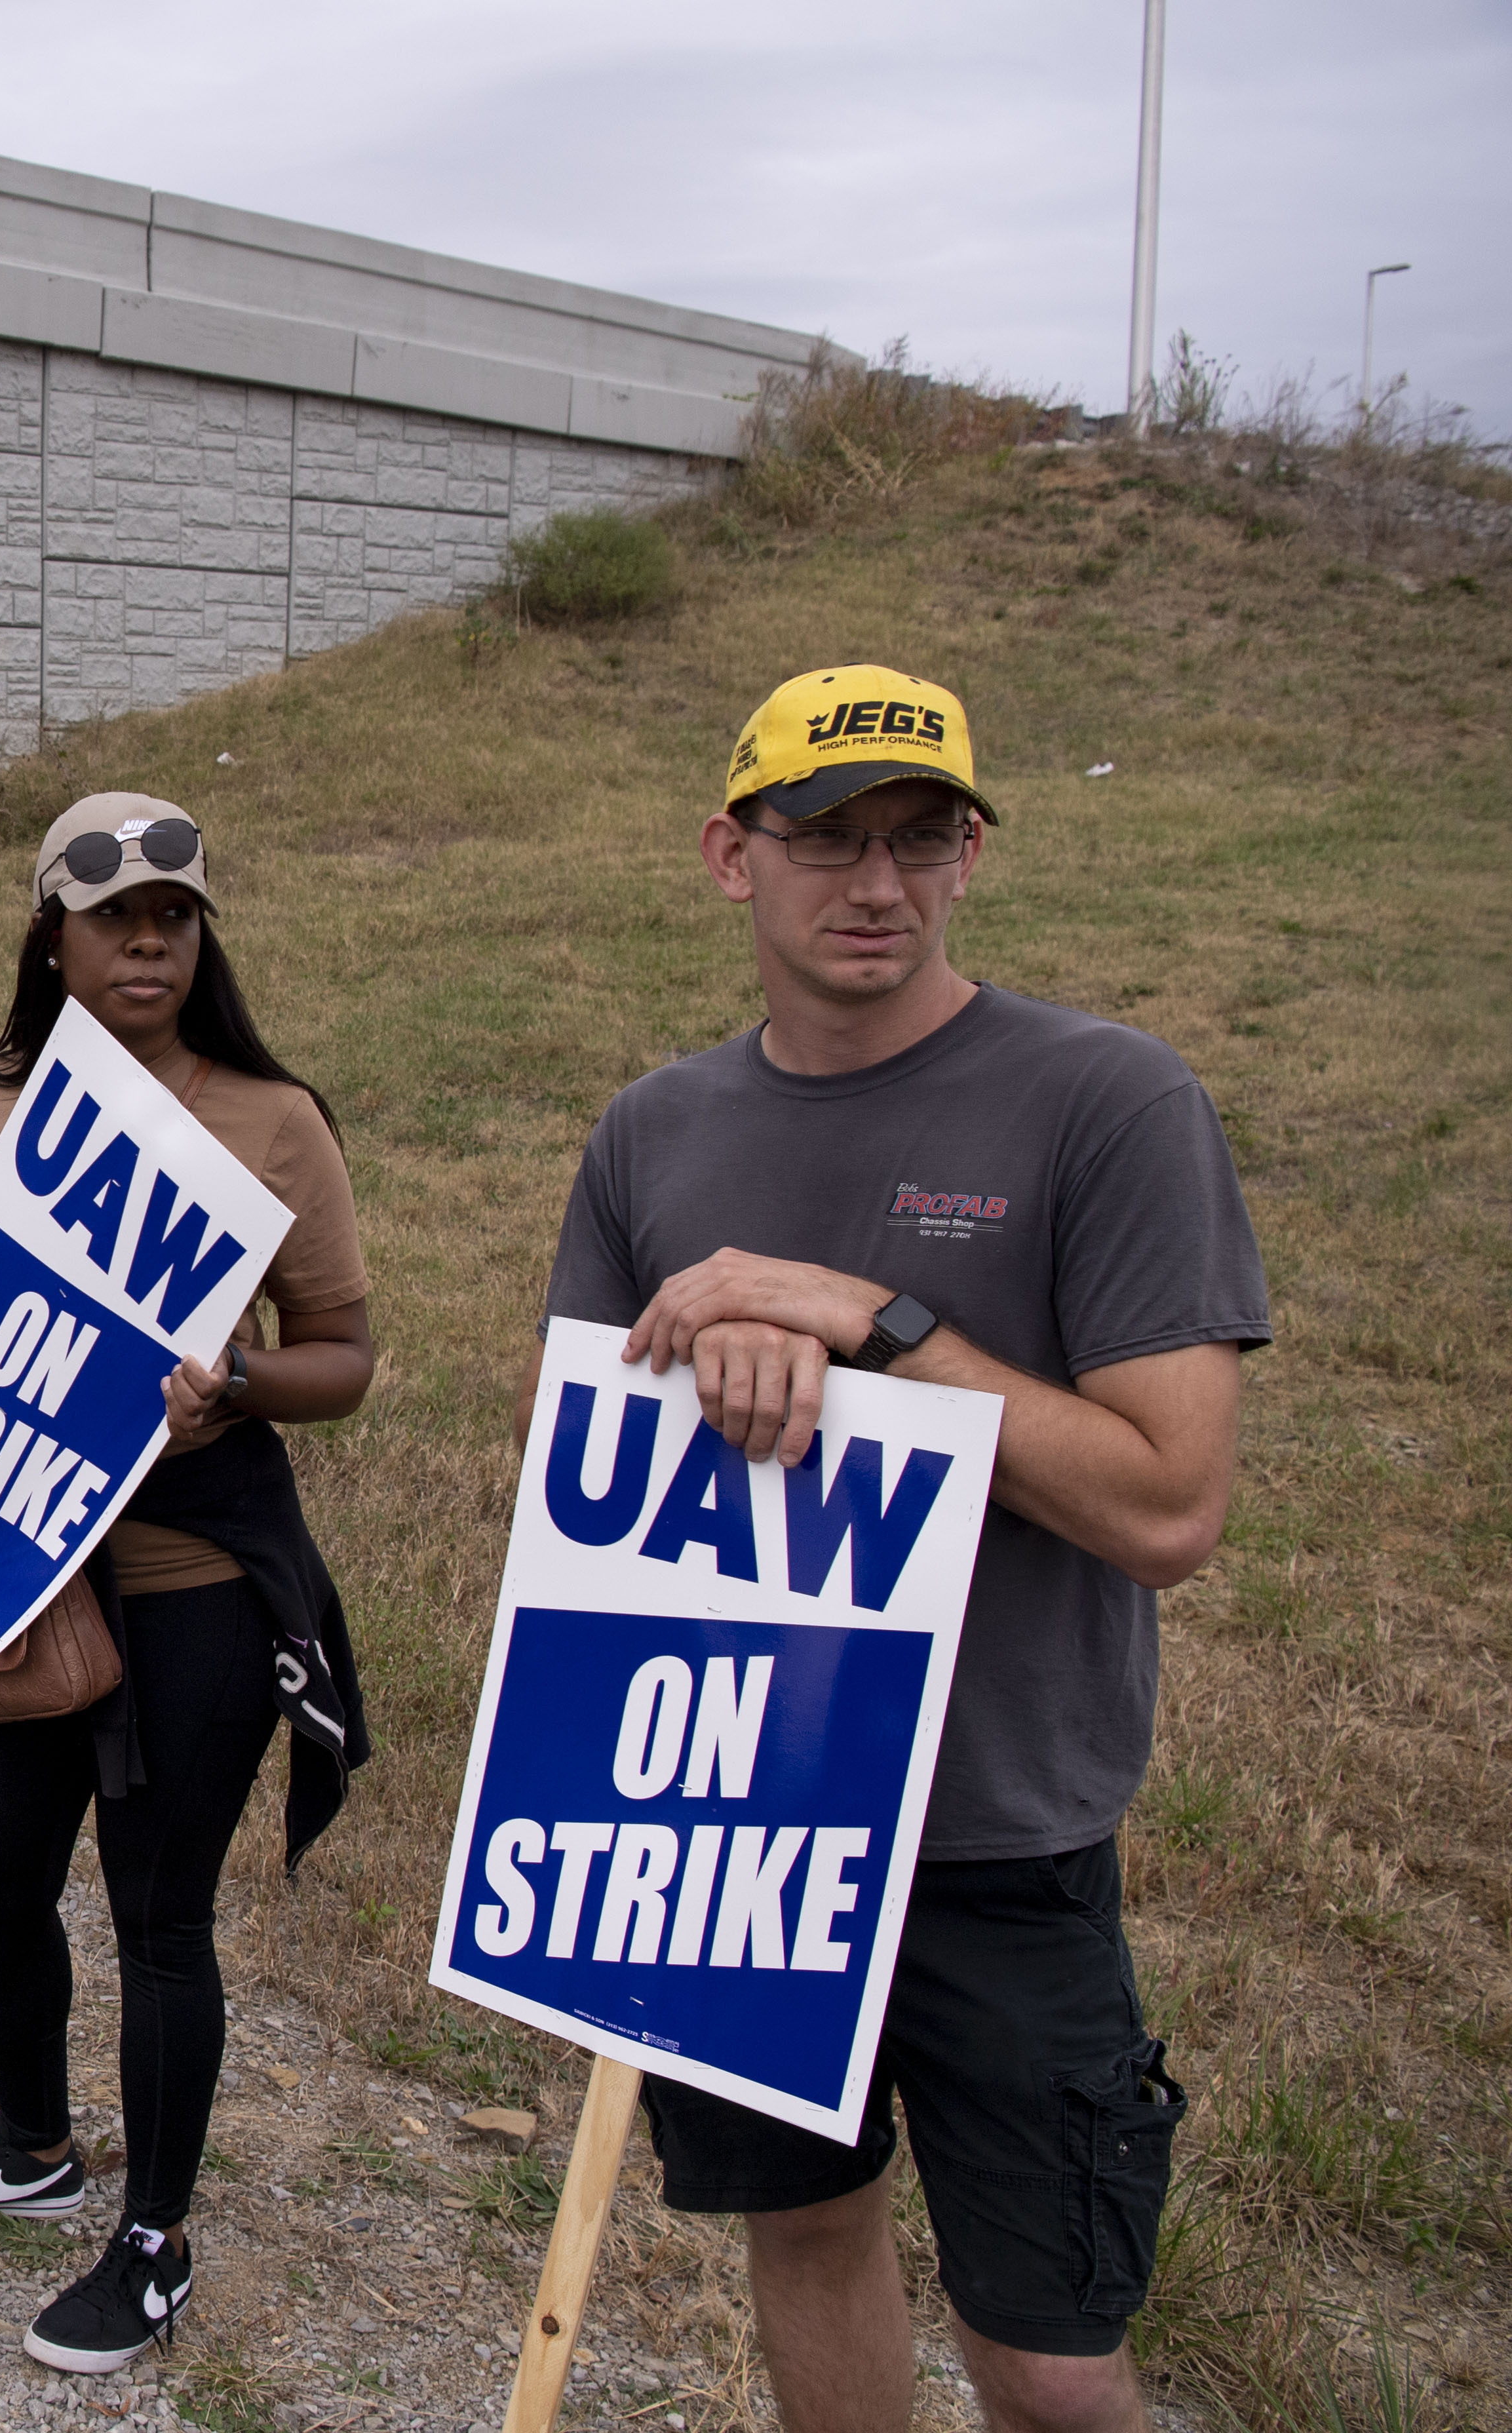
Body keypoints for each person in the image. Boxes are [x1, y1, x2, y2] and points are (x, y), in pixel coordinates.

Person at [524, 666, 1266, 2433]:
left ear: (971, 854)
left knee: (1050, 2359)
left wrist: (875, 1323)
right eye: (826, 839)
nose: (878, 882)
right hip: (738, 1814)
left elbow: (1170, 1503)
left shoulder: (1109, 1100)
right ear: (731, 856)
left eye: (923, 838)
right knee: (807, 2240)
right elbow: (588, 1477)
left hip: (998, 1834)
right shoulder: (655, 1130)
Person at [0, 796, 376, 2377]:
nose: (148, 940)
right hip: (2, 1566)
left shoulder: (270, 1117)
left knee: (158, 1915)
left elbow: (346, 1351)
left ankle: (153, 2236)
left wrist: (243, 1385)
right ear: (49, 935)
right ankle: (27, 2140)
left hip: (191, 1575)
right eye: (114, 917)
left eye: (174, 918)